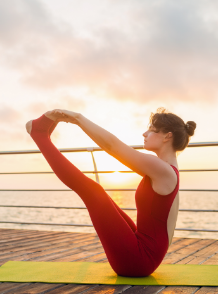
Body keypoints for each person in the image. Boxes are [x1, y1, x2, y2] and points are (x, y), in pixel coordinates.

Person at [25, 107, 196, 277]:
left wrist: (78, 118)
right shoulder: (167, 170)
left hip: (138, 261)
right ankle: (41, 133)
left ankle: (39, 134)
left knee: (92, 191)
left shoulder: (163, 170)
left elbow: (112, 146)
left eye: (151, 130)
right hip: (144, 255)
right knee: (99, 194)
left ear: (168, 136)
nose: (144, 134)